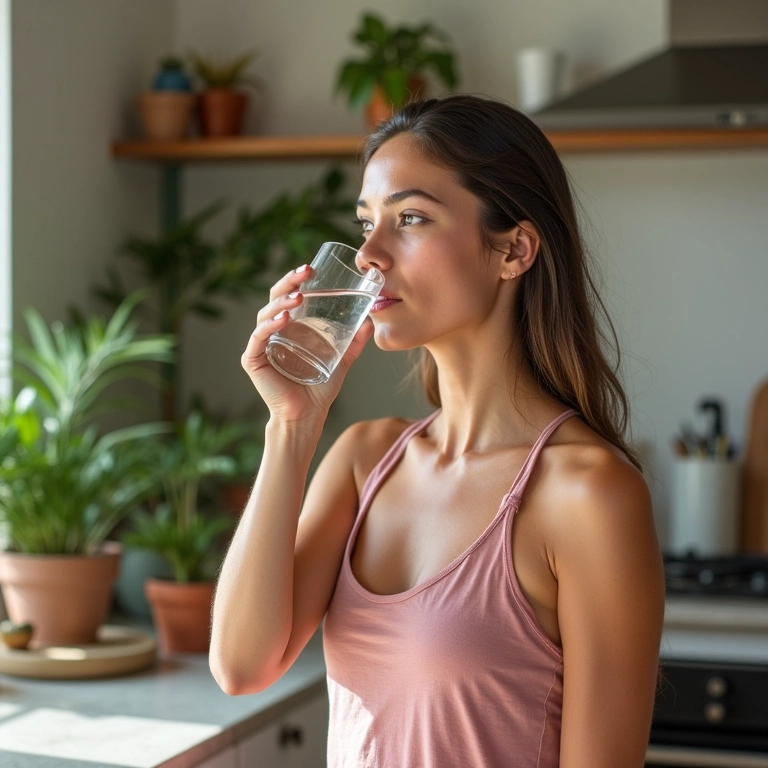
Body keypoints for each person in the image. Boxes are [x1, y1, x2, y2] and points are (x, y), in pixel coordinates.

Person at [210, 94, 665, 767]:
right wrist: (291, 425)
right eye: (366, 222)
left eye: (411, 219)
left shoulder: (588, 495)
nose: (368, 255)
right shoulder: (365, 460)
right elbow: (242, 666)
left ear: (514, 250)